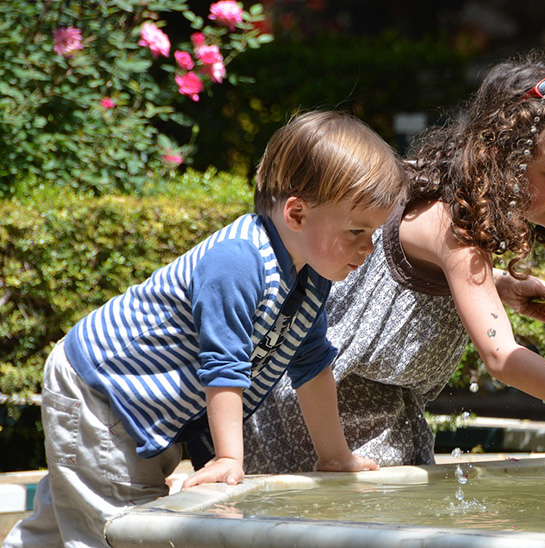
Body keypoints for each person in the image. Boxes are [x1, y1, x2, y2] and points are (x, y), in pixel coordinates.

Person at [242, 53, 545, 474]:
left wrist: (498, 285)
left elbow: (404, 274)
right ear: (501, 161)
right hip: (313, 419)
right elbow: (502, 357)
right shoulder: (455, 230)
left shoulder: (445, 193)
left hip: (367, 415)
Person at [2, 110, 407, 548]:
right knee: (125, 530)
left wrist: (335, 457)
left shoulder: (311, 277)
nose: (369, 248)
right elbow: (223, 364)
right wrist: (230, 457)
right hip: (105, 394)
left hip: (135, 406)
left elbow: (311, 365)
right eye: (356, 231)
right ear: (296, 214)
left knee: (58, 527)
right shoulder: (237, 261)